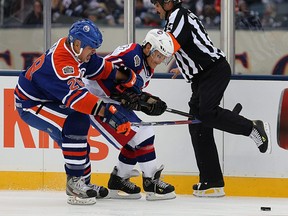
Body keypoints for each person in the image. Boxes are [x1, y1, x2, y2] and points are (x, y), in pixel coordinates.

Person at [150, 0, 271, 197]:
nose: (155, 9)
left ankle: (252, 127)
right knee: (197, 125)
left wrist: (145, 57)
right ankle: (212, 182)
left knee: (206, 113)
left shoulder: (178, 16)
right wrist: (184, 66)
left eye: (156, 4)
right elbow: (191, 44)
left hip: (213, 71)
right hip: (201, 75)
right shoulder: (176, 17)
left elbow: (171, 45)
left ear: (168, 3)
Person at [14, 19, 142, 205]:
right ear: (77, 44)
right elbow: (78, 99)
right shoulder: (62, 62)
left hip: (48, 98)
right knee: (76, 124)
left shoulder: (77, 51)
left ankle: (83, 183)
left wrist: (126, 76)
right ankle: (74, 185)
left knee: (78, 140)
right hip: (30, 104)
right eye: (91, 48)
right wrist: (109, 112)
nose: (93, 52)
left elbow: (98, 66)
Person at [82, 29, 177, 201]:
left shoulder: (147, 66)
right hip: (94, 100)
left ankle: (118, 180)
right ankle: (151, 182)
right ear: (148, 47)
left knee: (135, 138)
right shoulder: (132, 54)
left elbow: (129, 91)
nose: (160, 61)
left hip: (109, 99)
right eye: (158, 55)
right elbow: (97, 70)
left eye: (163, 57)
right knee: (143, 134)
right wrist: (120, 93)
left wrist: (147, 101)